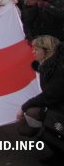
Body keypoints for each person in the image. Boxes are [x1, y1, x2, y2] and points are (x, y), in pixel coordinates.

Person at [16, 35, 64, 164]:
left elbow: (49, 95)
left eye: (36, 50)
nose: (33, 52)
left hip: (59, 111)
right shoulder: (49, 65)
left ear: (46, 51)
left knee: (48, 125)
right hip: (57, 107)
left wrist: (23, 107)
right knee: (30, 123)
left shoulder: (59, 69)